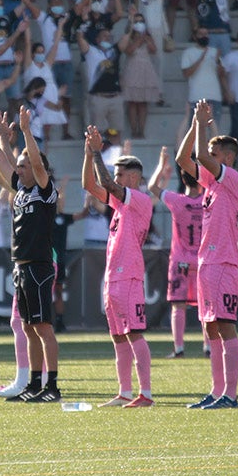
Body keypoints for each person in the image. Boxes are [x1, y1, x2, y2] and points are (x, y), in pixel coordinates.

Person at [0, 106, 62, 403]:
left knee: (43, 327)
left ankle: (51, 386)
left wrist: (26, 131)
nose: (20, 169)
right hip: (21, 265)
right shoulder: (22, 191)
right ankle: (35, 383)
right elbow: (2, 165)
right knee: (28, 327)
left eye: (24, 166)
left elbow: (35, 164)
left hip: (38, 265)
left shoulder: (44, 190)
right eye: (21, 166)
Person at [176, 101, 238, 409]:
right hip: (206, 262)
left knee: (225, 324)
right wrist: (196, 125)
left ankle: (230, 395)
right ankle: (217, 391)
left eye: (216, 156)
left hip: (224, 262)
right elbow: (184, 158)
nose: (208, 162)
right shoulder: (210, 185)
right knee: (210, 328)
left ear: (228, 159)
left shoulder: (234, 180)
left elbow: (200, 156)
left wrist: (201, 123)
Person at [81, 125, 154, 408]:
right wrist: (88, 153)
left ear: (134, 177)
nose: (115, 179)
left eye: (121, 174)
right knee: (118, 337)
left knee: (133, 332)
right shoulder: (121, 202)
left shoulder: (140, 200)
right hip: (113, 276)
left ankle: (145, 393)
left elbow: (107, 185)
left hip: (130, 276)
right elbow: (90, 185)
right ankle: (125, 391)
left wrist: (98, 152)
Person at [148, 146, 207, 360]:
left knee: (178, 306)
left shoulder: (177, 201)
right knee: (205, 304)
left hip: (180, 260)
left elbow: (152, 186)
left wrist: (162, 165)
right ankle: (208, 348)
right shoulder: (208, 201)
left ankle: (179, 349)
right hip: (202, 260)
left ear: (182, 180)